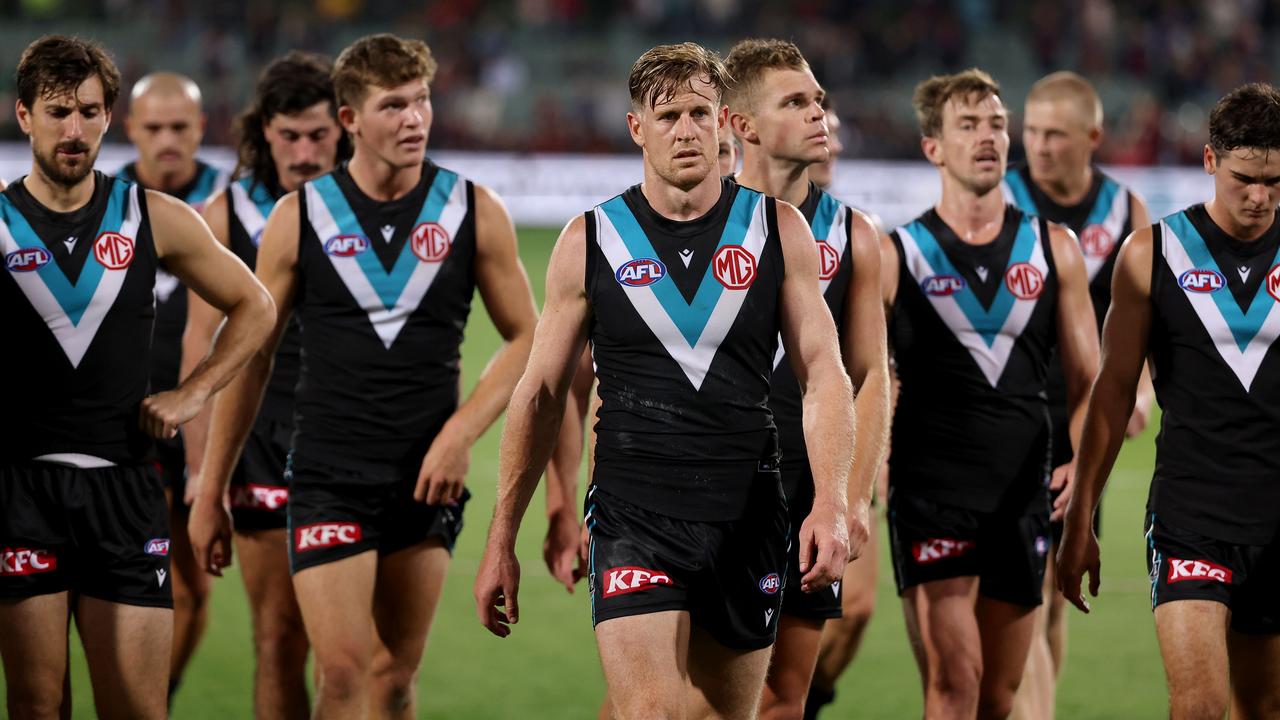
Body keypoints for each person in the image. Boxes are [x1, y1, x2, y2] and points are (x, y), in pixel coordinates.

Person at [475, 42, 855, 720]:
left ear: (723, 124)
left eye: (699, 113)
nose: (686, 130)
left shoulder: (778, 231)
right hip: (633, 516)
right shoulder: (590, 240)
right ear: (636, 129)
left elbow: (825, 374)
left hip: (748, 513)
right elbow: (537, 394)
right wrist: (503, 533)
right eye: (669, 114)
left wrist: (829, 500)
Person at [190, 33, 538, 719]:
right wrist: (210, 489)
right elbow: (252, 357)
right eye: (394, 106)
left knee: (394, 682)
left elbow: (530, 336)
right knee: (343, 676)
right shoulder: (301, 216)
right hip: (326, 477)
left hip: (425, 478)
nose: (414, 119)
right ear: (350, 121)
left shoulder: (473, 209)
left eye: (422, 101)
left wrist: (461, 433)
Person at [0, 35, 273, 719]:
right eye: (58, 112)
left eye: (89, 112)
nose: (74, 129)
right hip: (20, 489)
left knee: (138, 711)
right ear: (24, 114)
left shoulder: (152, 217)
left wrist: (194, 391)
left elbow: (255, 306)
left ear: (107, 116)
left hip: (125, 487)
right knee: (37, 706)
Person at [881, 68, 1099, 719]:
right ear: (934, 148)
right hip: (931, 494)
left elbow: (1092, 384)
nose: (987, 137)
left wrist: (1080, 466)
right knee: (956, 684)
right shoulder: (902, 254)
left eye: (997, 124)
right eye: (968, 126)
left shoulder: (1053, 247)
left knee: (1000, 698)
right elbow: (866, 374)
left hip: (1020, 494)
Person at [1059, 82, 1280, 720]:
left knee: (1262, 706)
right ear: (1210, 161)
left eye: (1274, 180)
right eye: (1244, 178)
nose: (1260, 196)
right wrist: (1081, 520)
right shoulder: (1152, 253)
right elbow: (1112, 392)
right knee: (1201, 707)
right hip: (1192, 514)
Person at [723, 38, 890, 720]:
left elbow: (873, 372)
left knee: (783, 700)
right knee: (660, 700)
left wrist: (849, 498)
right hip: (703, 491)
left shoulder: (855, 234)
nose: (820, 112)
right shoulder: (695, 218)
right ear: (743, 125)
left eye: (819, 99)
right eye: (796, 102)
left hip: (802, 492)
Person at [183, 51, 347, 719]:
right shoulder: (227, 215)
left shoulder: (371, 202)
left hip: (353, 441)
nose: (304, 153)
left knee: (352, 653)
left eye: (318, 136)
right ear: (264, 132)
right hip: (259, 439)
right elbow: (201, 346)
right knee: (278, 638)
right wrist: (203, 472)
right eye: (289, 136)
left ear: (344, 127)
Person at [1001, 70, 1153, 718]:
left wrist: (1141, 389)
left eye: (1056, 135)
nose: (1039, 146)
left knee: (1057, 590)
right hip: (1012, 416)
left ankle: (1042, 703)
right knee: (1025, 592)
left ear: (1092, 136)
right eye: (1031, 132)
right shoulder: (1000, 196)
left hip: (1084, 424)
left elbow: (1150, 315)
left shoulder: (1124, 212)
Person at [120, 70, 230, 699]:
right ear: (130, 128)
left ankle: (161, 695)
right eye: (153, 127)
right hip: (123, 424)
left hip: (207, 421)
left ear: (200, 128)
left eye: (179, 127)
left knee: (189, 587)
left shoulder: (232, 202)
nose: (166, 140)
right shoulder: (102, 201)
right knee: (130, 582)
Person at [804, 93, 886, 720]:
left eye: (832, 126)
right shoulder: (731, 221)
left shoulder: (854, 232)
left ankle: (812, 699)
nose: (826, 137)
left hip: (836, 452)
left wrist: (863, 481)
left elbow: (875, 367)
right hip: (743, 458)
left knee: (854, 611)